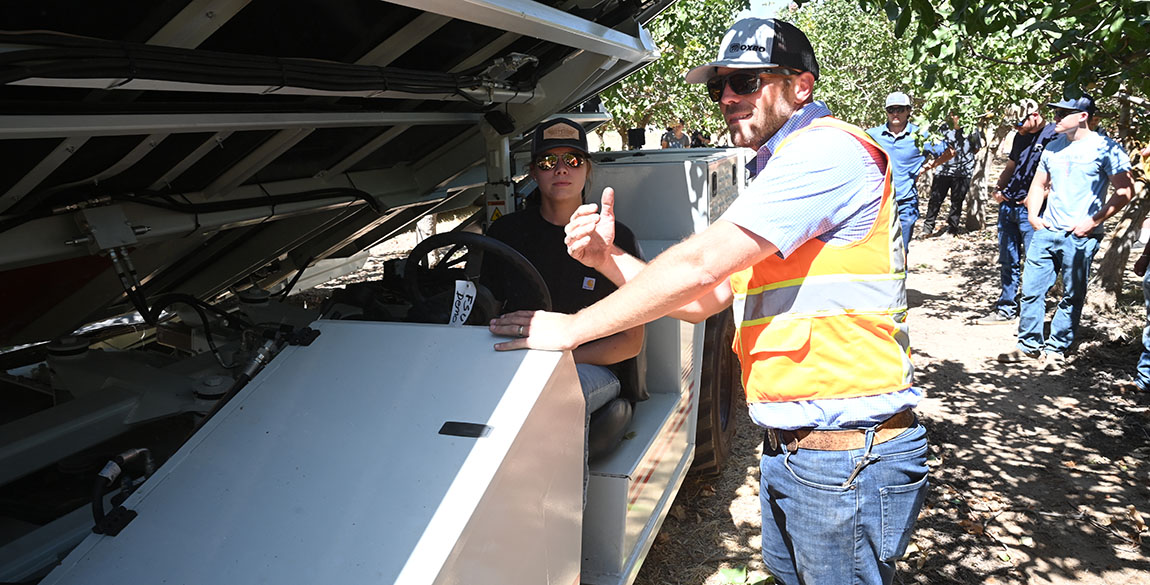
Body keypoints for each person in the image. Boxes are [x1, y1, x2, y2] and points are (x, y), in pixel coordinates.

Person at [491, 18, 927, 585]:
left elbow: (699, 266)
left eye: (746, 82)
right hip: (800, 450)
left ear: (802, 85)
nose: (726, 97)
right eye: (718, 85)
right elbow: (707, 298)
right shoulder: (776, 170)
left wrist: (570, 329)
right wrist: (606, 260)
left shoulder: (827, 155)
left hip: (843, 454)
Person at [484, 117, 645, 495]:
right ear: (532, 173)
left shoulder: (615, 238)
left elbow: (629, 344)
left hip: (590, 371)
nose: (560, 169)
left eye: (573, 160)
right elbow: (485, 311)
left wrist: (560, 359)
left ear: (588, 170)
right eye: (547, 162)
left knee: (547, 406)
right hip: (514, 363)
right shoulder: (505, 234)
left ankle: (563, 534)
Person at [997, 95, 1134, 370]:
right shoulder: (1053, 148)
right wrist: (1035, 216)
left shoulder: (1106, 148)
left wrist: (1092, 222)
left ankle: (1056, 349)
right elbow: (1039, 185)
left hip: (1080, 236)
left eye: (1063, 113)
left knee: (1072, 293)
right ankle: (1028, 346)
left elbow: (1125, 191)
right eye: (1056, 112)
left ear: (1083, 116)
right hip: (1047, 231)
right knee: (1032, 290)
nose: (1056, 118)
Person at [975, 99, 1058, 324]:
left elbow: (1058, 176)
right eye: (1013, 124)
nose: (1016, 128)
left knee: (1036, 262)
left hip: (1033, 210)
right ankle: (1006, 308)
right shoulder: (1020, 137)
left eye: (1020, 122)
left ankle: (1032, 310)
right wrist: (999, 188)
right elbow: (1011, 166)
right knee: (1008, 260)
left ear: (1035, 114)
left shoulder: (1054, 135)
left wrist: (1037, 199)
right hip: (1008, 206)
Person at [866, 92, 944, 252]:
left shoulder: (921, 135)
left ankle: (901, 276)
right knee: (878, 251)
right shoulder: (873, 135)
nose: (895, 113)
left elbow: (948, 152)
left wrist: (926, 167)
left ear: (908, 111)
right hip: (878, 202)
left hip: (906, 202)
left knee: (900, 250)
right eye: (891, 109)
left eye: (900, 109)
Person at [921, 112, 982, 237]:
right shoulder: (943, 128)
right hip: (943, 170)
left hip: (963, 172)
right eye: (954, 114)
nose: (956, 117)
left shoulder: (972, 129)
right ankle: (927, 228)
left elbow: (976, 148)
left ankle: (952, 229)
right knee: (935, 199)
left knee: (957, 201)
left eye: (960, 114)